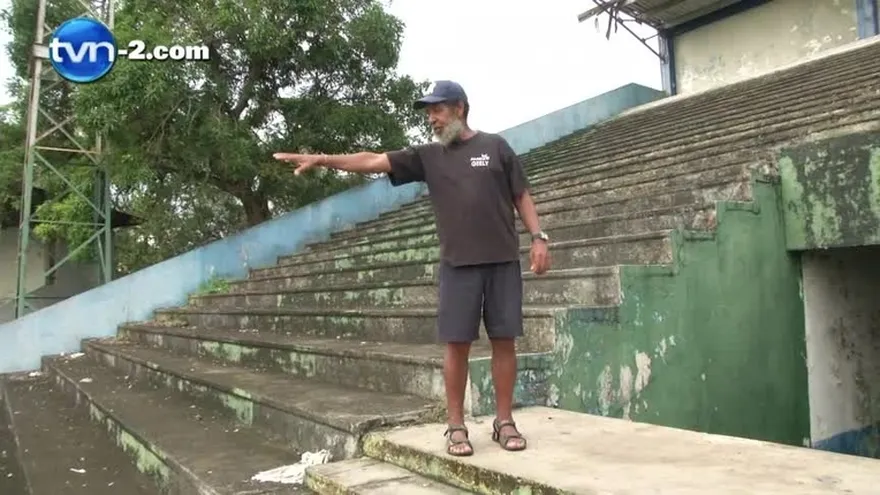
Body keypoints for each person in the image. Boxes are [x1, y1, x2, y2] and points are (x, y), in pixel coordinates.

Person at [273, 80, 550, 456]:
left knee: (505, 342)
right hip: (458, 266)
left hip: (501, 261)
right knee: (457, 346)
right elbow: (372, 160)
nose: (431, 119)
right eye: (428, 112)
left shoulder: (495, 147)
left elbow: (521, 194)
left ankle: (504, 422)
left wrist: (538, 238)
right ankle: (455, 427)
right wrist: (323, 159)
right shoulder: (427, 157)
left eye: (437, 110)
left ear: (460, 108)